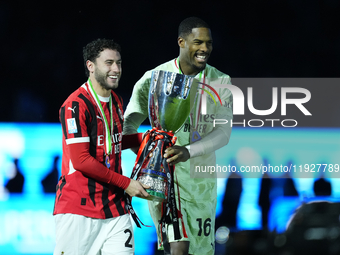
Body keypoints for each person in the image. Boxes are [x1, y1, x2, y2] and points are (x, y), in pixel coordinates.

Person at [123, 17, 233, 255]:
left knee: (200, 251)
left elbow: (224, 133)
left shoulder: (221, 81)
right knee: (177, 248)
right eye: (198, 42)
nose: (205, 48)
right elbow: (128, 127)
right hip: (167, 183)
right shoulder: (154, 78)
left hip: (201, 184)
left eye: (209, 43)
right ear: (181, 42)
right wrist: (151, 158)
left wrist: (188, 151)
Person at [53, 38, 150, 255]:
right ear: (90, 66)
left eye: (119, 63)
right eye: (108, 63)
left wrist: (147, 140)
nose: (116, 69)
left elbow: (111, 142)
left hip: (116, 209)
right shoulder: (75, 106)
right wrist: (127, 183)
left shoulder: (116, 100)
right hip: (79, 210)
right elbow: (82, 160)